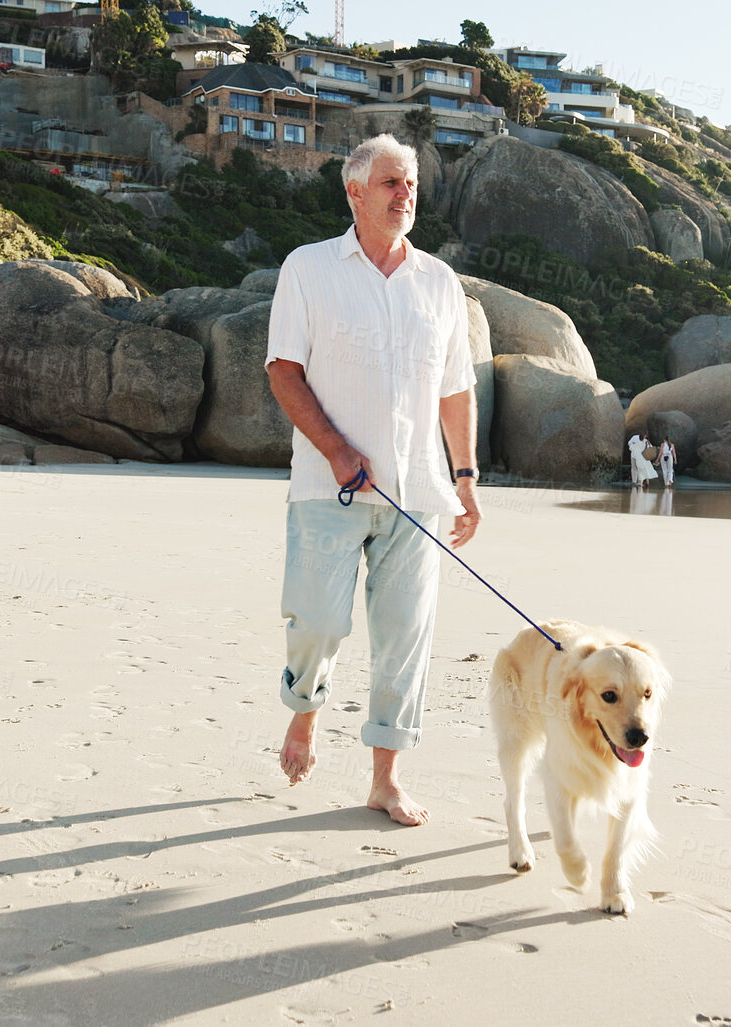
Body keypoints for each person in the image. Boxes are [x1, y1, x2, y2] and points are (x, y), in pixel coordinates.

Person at [264, 134, 481, 827]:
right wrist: (333, 449)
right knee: (318, 620)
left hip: (418, 493)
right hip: (328, 486)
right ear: (353, 191)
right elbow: (282, 370)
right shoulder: (308, 267)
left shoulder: (440, 283)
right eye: (390, 182)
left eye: (411, 183)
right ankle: (304, 712)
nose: (404, 195)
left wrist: (467, 478)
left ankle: (385, 778)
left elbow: (455, 390)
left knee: (403, 639)